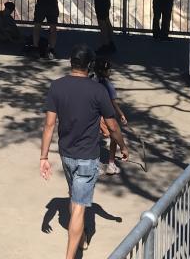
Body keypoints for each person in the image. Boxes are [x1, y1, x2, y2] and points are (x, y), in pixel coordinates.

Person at [40, 44, 127, 259]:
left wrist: (43, 157)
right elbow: (113, 126)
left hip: (66, 154)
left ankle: (81, 237)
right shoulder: (98, 91)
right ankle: (72, 254)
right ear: (89, 66)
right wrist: (123, 147)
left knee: (74, 197)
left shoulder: (57, 86)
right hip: (87, 157)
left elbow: (49, 125)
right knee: (79, 207)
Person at [92, 57, 129, 175]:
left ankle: (95, 164)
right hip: (105, 116)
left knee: (93, 139)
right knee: (114, 137)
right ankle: (111, 164)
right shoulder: (108, 85)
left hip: (93, 116)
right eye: (109, 70)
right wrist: (121, 114)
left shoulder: (92, 80)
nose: (110, 72)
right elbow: (113, 103)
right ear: (103, 71)